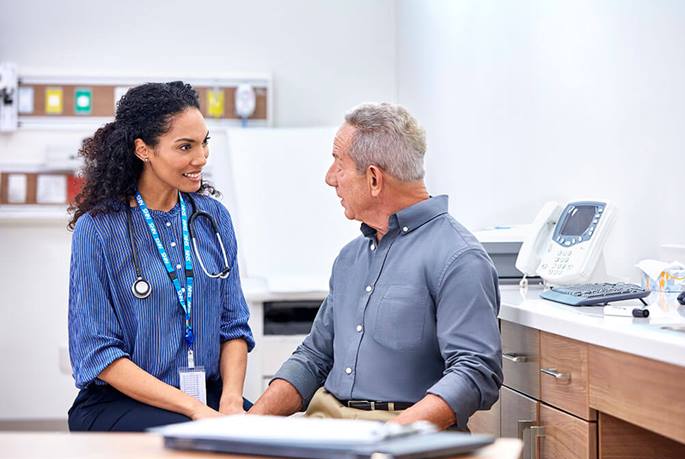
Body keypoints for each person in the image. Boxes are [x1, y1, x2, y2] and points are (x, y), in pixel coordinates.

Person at [248, 103, 502, 430]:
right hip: (326, 425)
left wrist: (391, 435)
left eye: (338, 164)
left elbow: (475, 371)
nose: (329, 178)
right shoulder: (350, 258)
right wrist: (245, 427)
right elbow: (313, 359)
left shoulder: (459, 258)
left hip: (404, 434)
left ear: (373, 179)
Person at [66, 82, 254, 432]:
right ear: (143, 150)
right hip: (120, 402)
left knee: (264, 436)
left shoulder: (213, 218)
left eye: (204, 142)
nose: (201, 158)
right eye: (186, 147)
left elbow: (233, 327)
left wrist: (230, 401)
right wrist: (194, 410)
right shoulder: (99, 229)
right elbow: (99, 354)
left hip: (207, 398)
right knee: (195, 437)